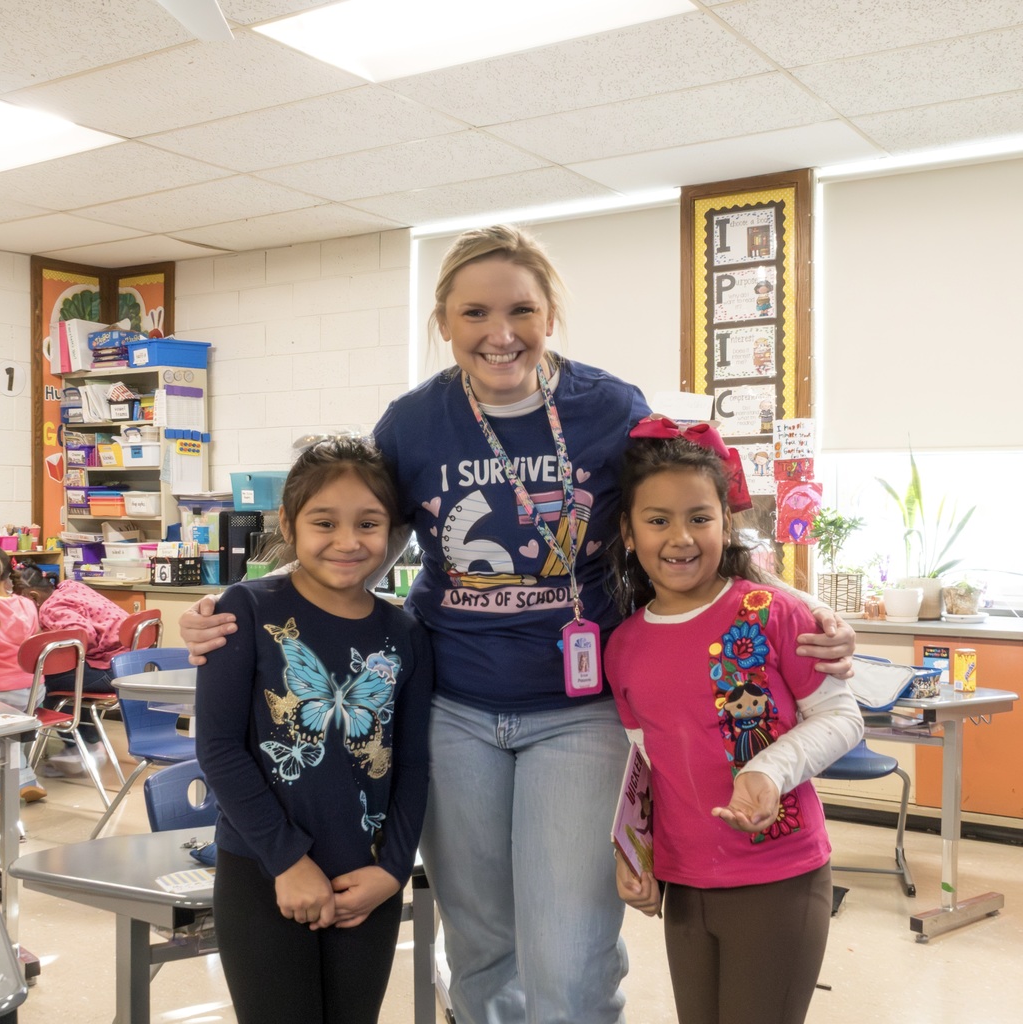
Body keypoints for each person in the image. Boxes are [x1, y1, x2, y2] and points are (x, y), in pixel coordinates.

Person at [180, 224, 856, 1024]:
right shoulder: (414, 422)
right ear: (444, 323)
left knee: (570, 951)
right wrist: (242, 608)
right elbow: (356, 544)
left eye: (521, 311)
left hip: (580, 709)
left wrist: (799, 602)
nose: (500, 335)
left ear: (550, 314)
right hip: (453, 706)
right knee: (482, 942)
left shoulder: (610, 408)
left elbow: (680, 512)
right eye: (474, 314)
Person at [604, 417, 864, 1024]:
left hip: (779, 874)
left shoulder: (772, 613)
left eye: (700, 517)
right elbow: (645, 767)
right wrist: (636, 853)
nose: (681, 537)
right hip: (685, 881)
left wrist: (771, 771)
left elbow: (842, 717)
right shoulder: (622, 645)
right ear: (628, 530)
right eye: (657, 519)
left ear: (726, 522)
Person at [195, 435, 433, 1024]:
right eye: (324, 522)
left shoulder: (405, 634)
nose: (348, 542)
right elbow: (219, 750)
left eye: (369, 524)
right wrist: (287, 861)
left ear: (392, 531)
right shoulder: (246, 610)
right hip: (262, 872)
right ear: (288, 521)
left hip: (367, 880)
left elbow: (413, 763)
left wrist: (394, 869)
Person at [15, 563, 129, 776]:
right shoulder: (69, 587)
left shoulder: (51, 608)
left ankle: (79, 747)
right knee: (65, 678)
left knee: (45, 683)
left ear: (33, 596)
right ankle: (88, 742)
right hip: (128, 662)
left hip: (110, 669)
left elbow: (82, 636)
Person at [0, 551, 47, 802]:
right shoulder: (27, 603)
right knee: (8, 724)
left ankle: (17, 779)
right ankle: (24, 778)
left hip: (4, 695)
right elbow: (35, 645)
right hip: (34, 692)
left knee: (3, 719)